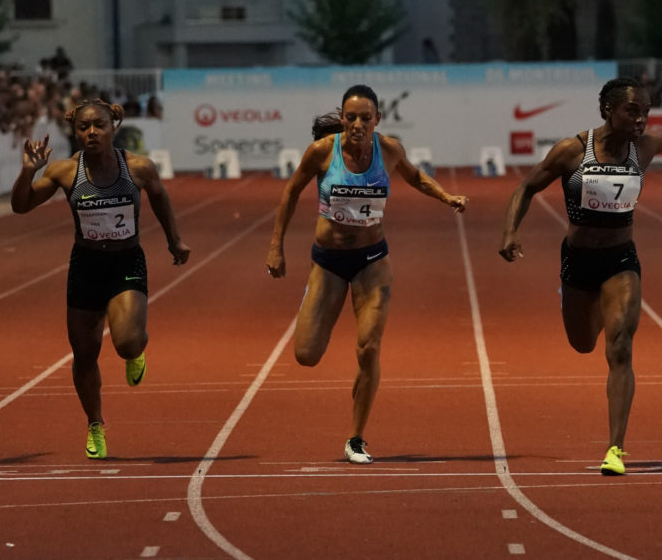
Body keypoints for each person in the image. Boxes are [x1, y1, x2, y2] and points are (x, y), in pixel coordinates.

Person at [266, 84, 468, 464]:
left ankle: (356, 438)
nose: (358, 124)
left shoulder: (388, 150)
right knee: (306, 355)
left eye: (366, 117)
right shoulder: (322, 153)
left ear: (378, 119)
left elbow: (416, 177)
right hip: (327, 261)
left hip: (373, 261)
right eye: (351, 117)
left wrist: (447, 197)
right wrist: (276, 246)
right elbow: (290, 193)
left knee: (369, 348)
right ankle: (313, 300)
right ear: (342, 118)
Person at [10, 98, 190, 459]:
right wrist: (28, 171)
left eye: (99, 126)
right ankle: (95, 424)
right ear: (74, 132)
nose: (91, 132)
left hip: (126, 261)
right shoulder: (64, 172)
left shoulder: (138, 168)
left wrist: (174, 239)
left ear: (113, 127)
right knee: (85, 352)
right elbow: (21, 205)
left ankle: (136, 349)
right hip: (86, 266)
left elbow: (159, 198)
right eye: (83, 127)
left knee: (126, 343)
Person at [499, 77, 662, 475]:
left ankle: (614, 449)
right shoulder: (573, 150)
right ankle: (572, 298)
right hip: (577, 261)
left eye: (645, 111)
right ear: (608, 109)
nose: (641, 119)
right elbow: (525, 187)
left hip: (621, 260)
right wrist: (510, 232)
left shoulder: (646, 146)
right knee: (583, 344)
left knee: (620, 345)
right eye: (632, 111)